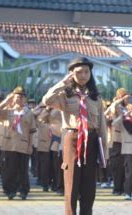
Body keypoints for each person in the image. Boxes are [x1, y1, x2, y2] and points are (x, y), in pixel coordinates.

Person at [42, 57, 107, 215]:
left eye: (86, 72)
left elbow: (102, 127)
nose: (83, 75)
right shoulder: (65, 95)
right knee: (71, 183)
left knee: (89, 186)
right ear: (71, 74)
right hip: (72, 139)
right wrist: (63, 83)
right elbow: (46, 100)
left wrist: (104, 153)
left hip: (91, 140)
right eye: (79, 72)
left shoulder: (95, 98)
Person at [0, 87, 36, 200]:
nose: (18, 99)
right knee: (9, 169)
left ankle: (23, 190)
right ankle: (10, 190)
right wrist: (5, 102)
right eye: (16, 97)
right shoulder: (8, 111)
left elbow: (31, 132)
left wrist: (30, 146)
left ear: (25, 98)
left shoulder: (28, 113)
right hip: (9, 145)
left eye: (21, 97)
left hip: (23, 145)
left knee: (23, 170)